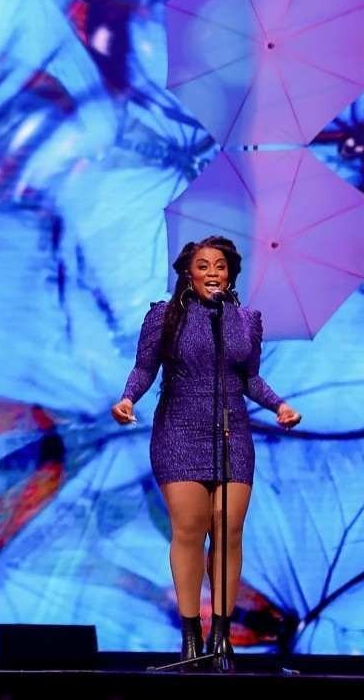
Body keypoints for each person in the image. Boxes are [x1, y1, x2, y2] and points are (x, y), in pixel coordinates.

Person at [111, 236, 300, 670]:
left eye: (220, 266)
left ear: (231, 273)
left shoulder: (246, 320)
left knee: (228, 531)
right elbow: (144, 368)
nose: (213, 272)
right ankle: (190, 636)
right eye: (203, 265)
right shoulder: (165, 317)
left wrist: (280, 405)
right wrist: (127, 399)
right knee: (191, 528)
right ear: (188, 273)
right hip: (179, 430)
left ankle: (221, 637)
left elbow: (250, 379)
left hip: (232, 433)